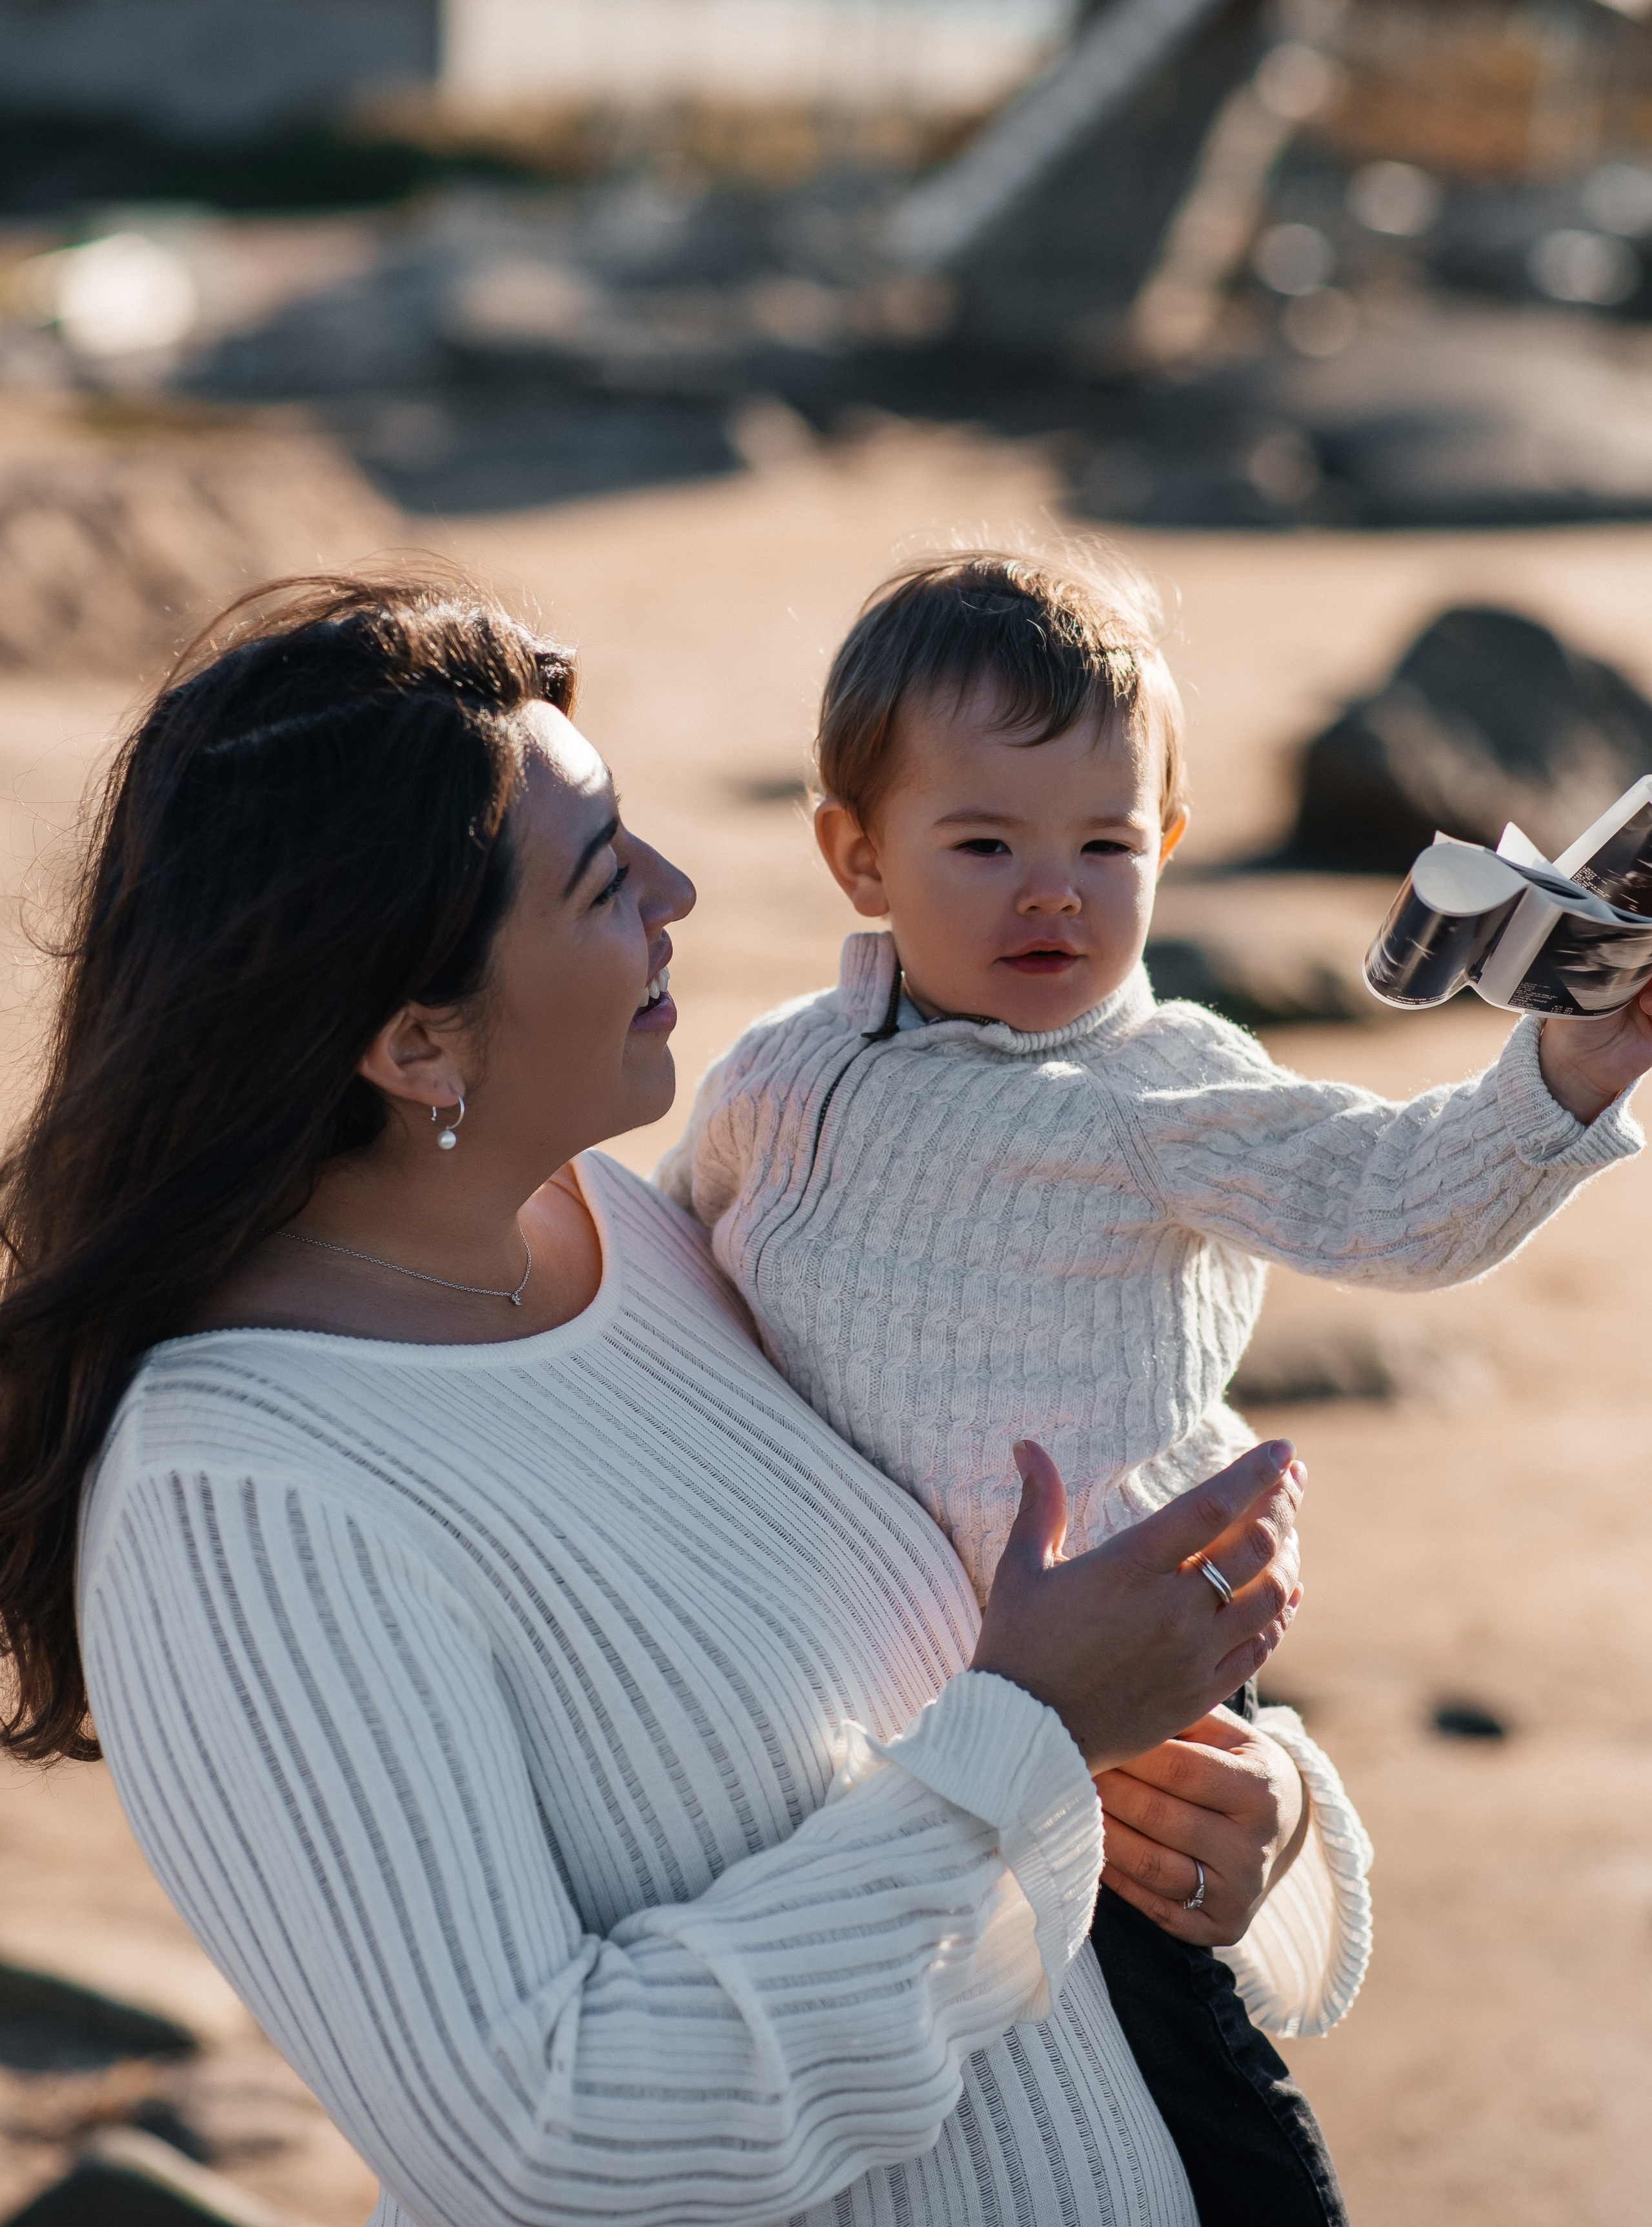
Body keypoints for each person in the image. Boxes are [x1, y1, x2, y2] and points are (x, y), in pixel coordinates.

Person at [0, 565, 1342, 2227]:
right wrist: (1038, 1738)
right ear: (417, 1044)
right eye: (597, 876)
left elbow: (948, 1696)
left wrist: (1241, 1823)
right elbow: (551, 2139)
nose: (680, 887)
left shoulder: (640, 1229)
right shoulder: (246, 1506)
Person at [656, 547, 1652, 2223]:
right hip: (859, 1711)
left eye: (1107, 845)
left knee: (1192, 2100)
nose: (1054, 891)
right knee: (914, 2117)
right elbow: (668, 1288)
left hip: (1133, 1704)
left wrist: (1564, 1068)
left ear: (1167, 848)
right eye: (986, 844)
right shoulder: (780, 1074)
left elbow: (1392, 1202)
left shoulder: (1160, 1087)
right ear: (859, 854)